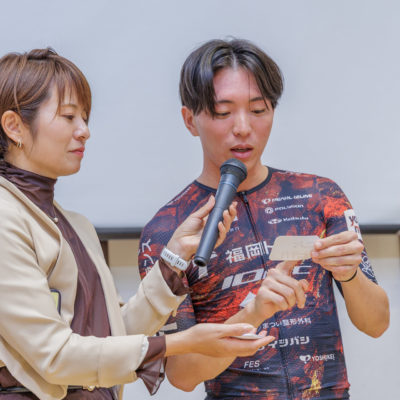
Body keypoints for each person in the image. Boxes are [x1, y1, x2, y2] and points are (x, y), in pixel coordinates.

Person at [0, 48, 276, 400]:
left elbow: (115, 337)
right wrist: (181, 343)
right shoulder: (6, 217)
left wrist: (175, 257)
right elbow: (54, 355)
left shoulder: (76, 225)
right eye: (68, 117)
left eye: (85, 117)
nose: (84, 131)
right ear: (14, 126)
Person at [138, 38, 390, 399]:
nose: (243, 127)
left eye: (258, 110)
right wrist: (253, 313)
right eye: (223, 113)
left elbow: (377, 323)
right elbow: (182, 374)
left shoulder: (319, 196)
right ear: (190, 120)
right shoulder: (168, 232)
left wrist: (349, 274)